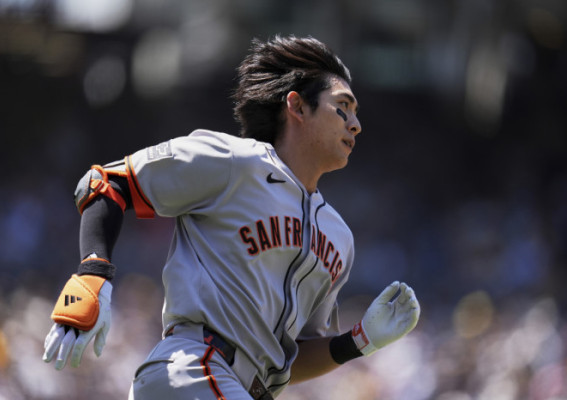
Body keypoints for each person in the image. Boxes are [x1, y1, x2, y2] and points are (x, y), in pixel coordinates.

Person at [42, 35, 420, 400]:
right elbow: (105, 183)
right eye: (343, 106)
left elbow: (290, 360)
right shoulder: (233, 161)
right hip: (193, 370)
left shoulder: (339, 238)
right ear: (297, 106)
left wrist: (358, 340)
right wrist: (94, 273)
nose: (355, 124)